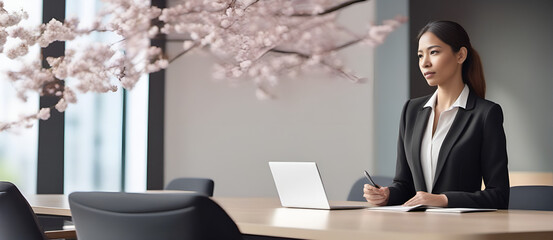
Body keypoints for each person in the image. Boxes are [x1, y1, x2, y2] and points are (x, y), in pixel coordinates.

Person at [364, 20, 509, 209]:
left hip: (459, 230)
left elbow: (498, 195)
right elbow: (405, 185)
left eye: (434, 52)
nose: (424, 63)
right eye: (420, 55)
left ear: (461, 55)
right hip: (416, 229)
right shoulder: (411, 110)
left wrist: (443, 199)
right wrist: (386, 195)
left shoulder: (486, 114)